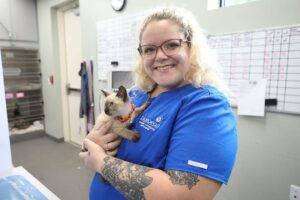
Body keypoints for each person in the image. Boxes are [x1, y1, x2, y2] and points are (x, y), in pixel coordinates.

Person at [79, 6, 238, 200]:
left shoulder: (207, 106)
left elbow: (183, 195)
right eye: (149, 49)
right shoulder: (137, 92)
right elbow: (94, 141)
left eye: (171, 45)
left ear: (191, 47)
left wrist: (99, 161)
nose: (160, 56)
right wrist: (91, 142)